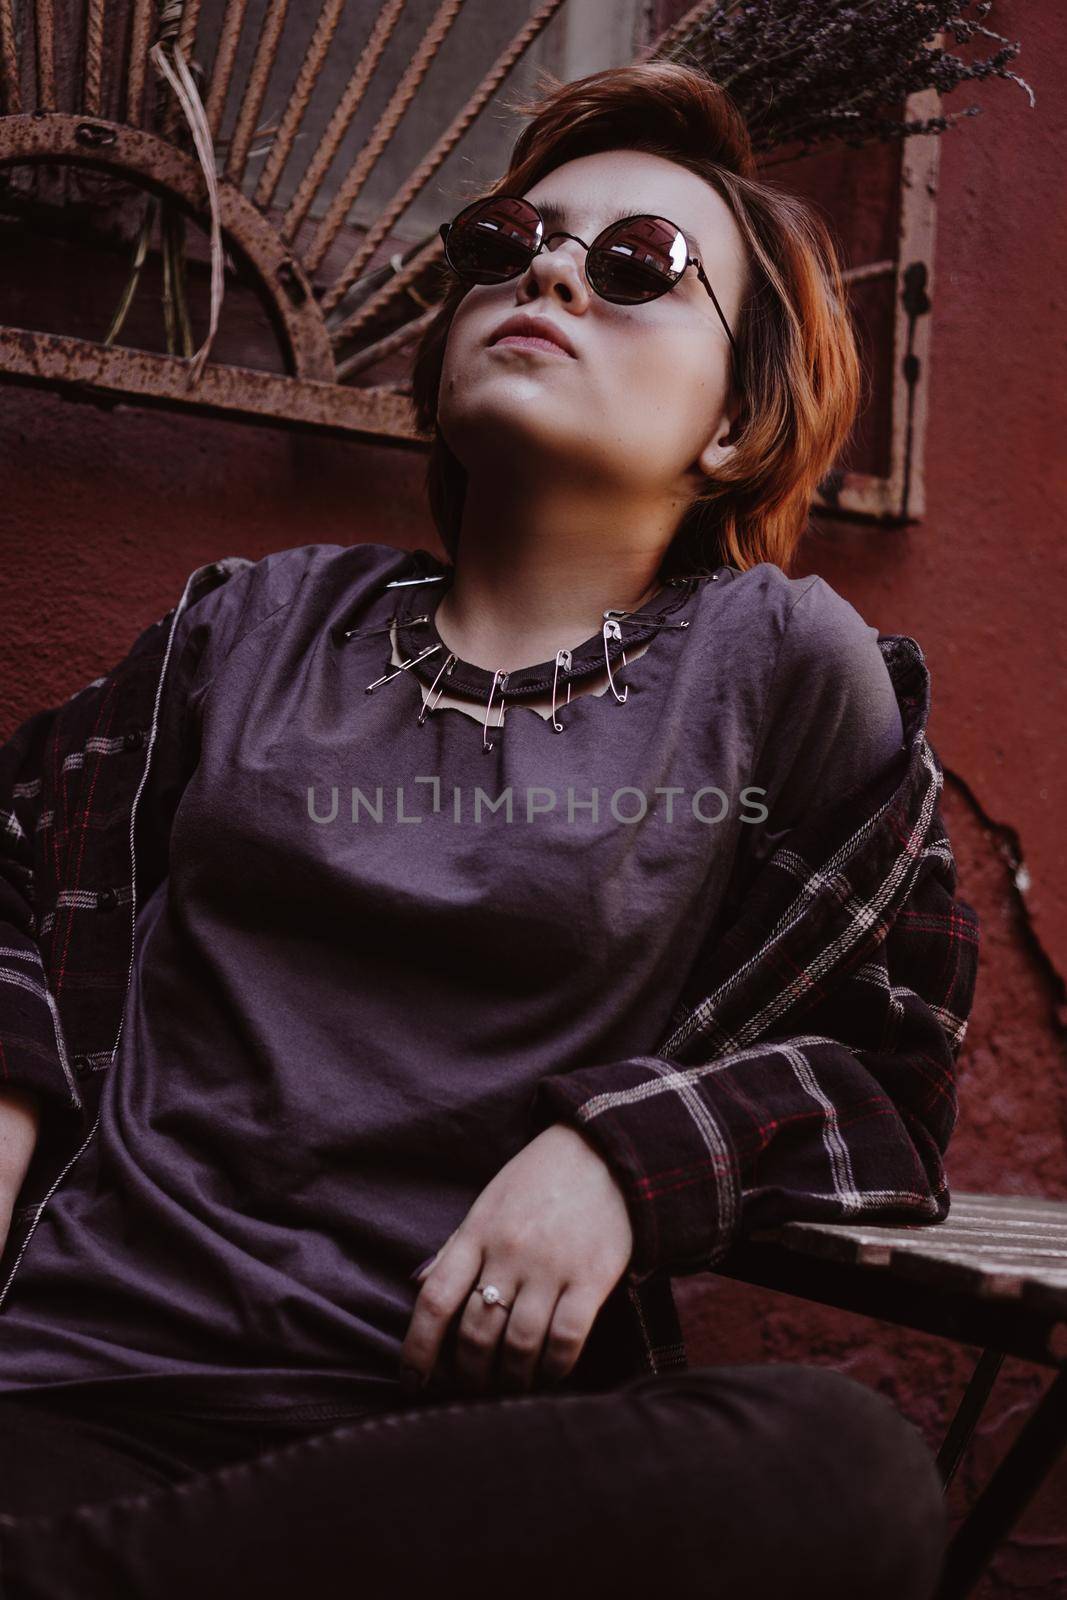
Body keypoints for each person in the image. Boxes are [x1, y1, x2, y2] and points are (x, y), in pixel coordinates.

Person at [0, 61, 978, 1600]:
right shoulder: (246, 626)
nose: (547, 270)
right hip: (79, 1385)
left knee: (845, 1472)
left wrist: (622, 1150)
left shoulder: (783, 670)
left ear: (734, 425)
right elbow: (13, 860)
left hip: (446, 1448)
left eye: (638, 265)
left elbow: (889, 1060)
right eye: (507, 242)